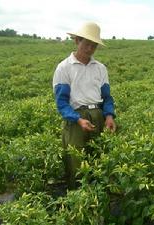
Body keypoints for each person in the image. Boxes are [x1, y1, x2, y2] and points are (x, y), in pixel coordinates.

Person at [52, 22, 116, 189]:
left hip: (97, 115)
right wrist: (78, 119)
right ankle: (79, 197)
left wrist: (109, 116)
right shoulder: (64, 68)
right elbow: (62, 103)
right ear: (77, 41)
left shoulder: (100, 68)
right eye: (86, 44)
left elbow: (107, 97)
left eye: (93, 45)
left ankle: (100, 195)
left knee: (100, 156)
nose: (89, 48)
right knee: (77, 161)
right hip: (76, 118)